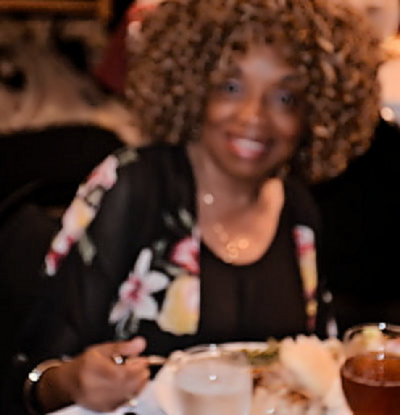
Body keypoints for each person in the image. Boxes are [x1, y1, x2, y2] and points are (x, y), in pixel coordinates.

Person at [7, 0, 381, 414]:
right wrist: (72, 381)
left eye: (285, 98)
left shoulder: (299, 212)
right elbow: (30, 375)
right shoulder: (134, 187)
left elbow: (319, 370)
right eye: (231, 87)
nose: (253, 116)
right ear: (193, 85)